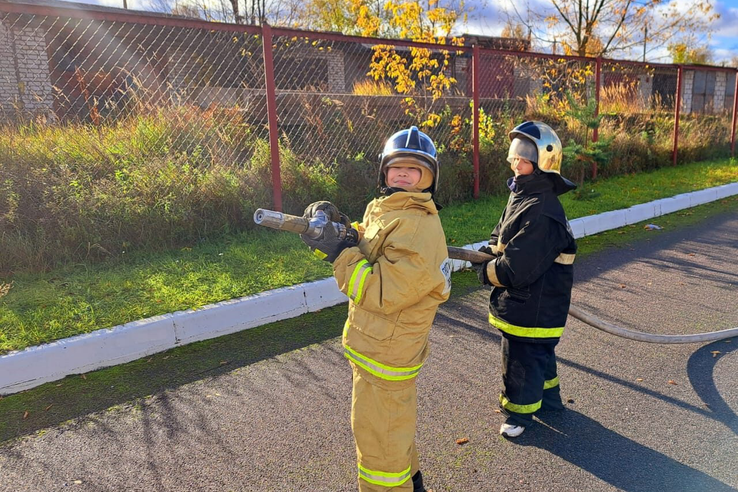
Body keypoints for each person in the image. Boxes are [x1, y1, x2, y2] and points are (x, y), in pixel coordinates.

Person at [300, 126, 452, 491]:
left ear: (427, 178)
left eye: (412, 170)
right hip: (378, 348)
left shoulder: (419, 230)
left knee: (379, 453)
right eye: (395, 167)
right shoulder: (389, 208)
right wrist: (339, 233)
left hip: (387, 355)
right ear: (384, 172)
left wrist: (340, 253)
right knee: (393, 433)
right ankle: (412, 483)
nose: (402, 173)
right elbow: (369, 244)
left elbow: (381, 292)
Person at [470, 121, 577, 439]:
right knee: (538, 355)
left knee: (521, 359)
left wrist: (487, 272)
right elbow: (502, 235)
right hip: (529, 305)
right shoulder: (523, 196)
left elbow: (518, 267)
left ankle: (518, 415)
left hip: (533, 307)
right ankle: (549, 401)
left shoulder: (543, 212)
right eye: (514, 158)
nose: (516, 164)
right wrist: (487, 251)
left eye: (524, 159)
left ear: (543, 162)